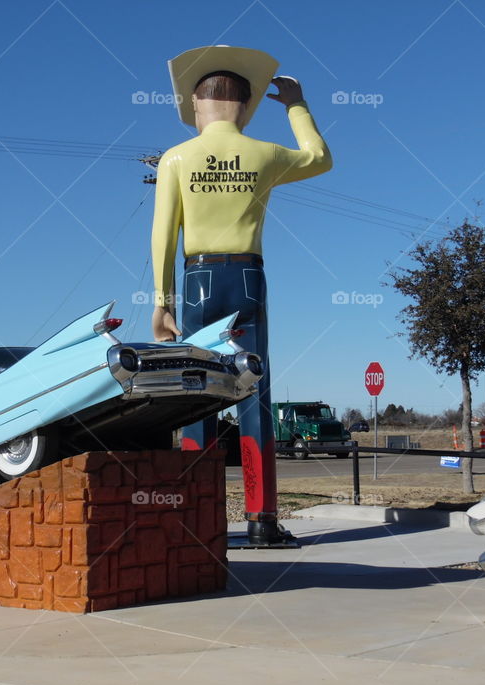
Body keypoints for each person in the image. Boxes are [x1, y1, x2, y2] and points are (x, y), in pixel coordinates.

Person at [150, 46, 333, 544]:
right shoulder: (264, 154)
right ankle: (261, 519)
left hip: (197, 279)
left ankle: (193, 520)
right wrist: (296, 103)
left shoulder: (177, 158)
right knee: (255, 391)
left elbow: (163, 235)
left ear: (196, 106)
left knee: (195, 391)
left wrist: (162, 301)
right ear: (245, 108)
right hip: (249, 275)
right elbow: (320, 158)